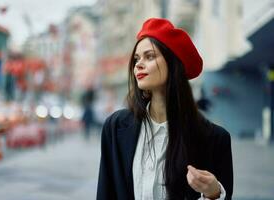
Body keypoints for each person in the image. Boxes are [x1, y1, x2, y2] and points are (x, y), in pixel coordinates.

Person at [96, 18, 233, 200]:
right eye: (137, 58)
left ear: (173, 63)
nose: (138, 64)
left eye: (149, 56)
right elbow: (106, 193)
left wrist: (213, 194)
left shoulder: (214, 139)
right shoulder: (115, 127)